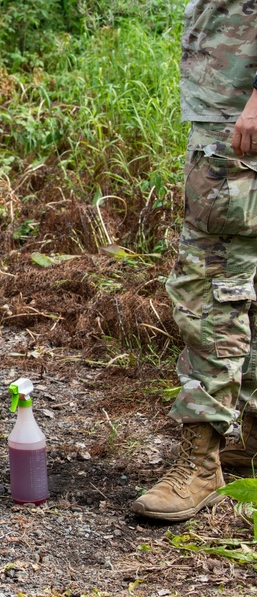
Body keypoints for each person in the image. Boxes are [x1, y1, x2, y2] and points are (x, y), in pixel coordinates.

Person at [132, 1, 257, 521]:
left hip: (236, 121)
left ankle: (202, 463)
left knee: (210, 288)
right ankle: (250, 438)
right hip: (228, 113)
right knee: (245, 280)